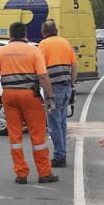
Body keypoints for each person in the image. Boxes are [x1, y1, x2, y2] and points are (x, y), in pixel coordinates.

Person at [0, 22, 59, 185]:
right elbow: (42, 77)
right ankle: (44, 173)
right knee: (37, 134)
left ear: (10, 35)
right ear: (25, 34)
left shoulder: (1, 52)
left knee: (15, 135)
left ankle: (21, 174)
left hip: (9, 96)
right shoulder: (34, 51)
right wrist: (51, 97)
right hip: (29, 96)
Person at [38, 20, 78, 168]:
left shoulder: (43, 45)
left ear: (43, 33)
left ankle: (60, 157)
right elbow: (74, 66)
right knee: (62, 123)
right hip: (67, 86)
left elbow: (41, 70)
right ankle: (62, 154)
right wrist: (72, 84)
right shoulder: (66, 43)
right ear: (56, 31)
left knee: (54, 125)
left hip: (53, 89)